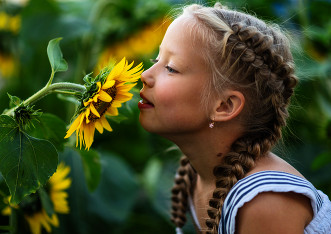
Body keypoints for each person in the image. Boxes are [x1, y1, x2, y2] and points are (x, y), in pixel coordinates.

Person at [138, 2, 331, 234]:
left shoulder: (265, 201)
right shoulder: (196, 177)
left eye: (170, 68)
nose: (144, 75)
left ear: (225, 106)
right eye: (155, 61)